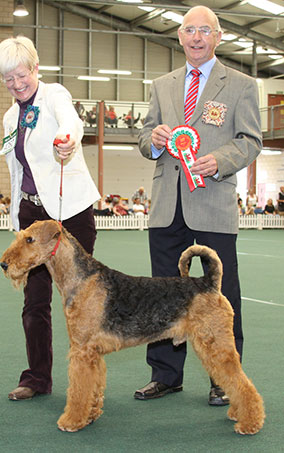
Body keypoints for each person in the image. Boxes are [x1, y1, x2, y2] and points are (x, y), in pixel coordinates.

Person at [136, 5, 262, 406]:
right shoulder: (162, 84)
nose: (196, 37)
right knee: (160, 295)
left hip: (213, 202)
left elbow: (250, 140)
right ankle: (165, 375)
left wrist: (220, 162)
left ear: (218, 36)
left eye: (204, 30)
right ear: (179, 37)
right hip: (166, 205)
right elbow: (144, 137)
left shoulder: (241, 84)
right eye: (189, 30)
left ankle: (223, 377)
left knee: (223, 296)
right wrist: (153, 140)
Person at [0, 36, 100, 401]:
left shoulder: (55, 95)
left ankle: (86, 379)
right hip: (31, 214)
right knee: (35, 301)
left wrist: (67, 139)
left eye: (21, 75)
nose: (16, 84)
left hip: (70, 211)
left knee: (80, 300)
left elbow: (70, 122)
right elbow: (16, 169)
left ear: (35, 68)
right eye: (8, 79)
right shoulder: (10, 115)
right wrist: (16, 218)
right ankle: (37, 378)